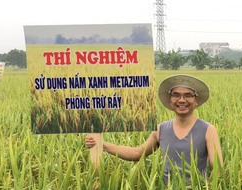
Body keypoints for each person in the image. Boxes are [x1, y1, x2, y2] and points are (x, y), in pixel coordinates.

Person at [86, 75, 223, 184]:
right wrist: (102, 145)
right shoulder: (161, 129)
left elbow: (218, 169)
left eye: (188, 95)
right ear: (170, 99)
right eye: (176, 95)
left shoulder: (207, 130)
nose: (182, 100)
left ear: (196, 100)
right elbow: (137, 153)